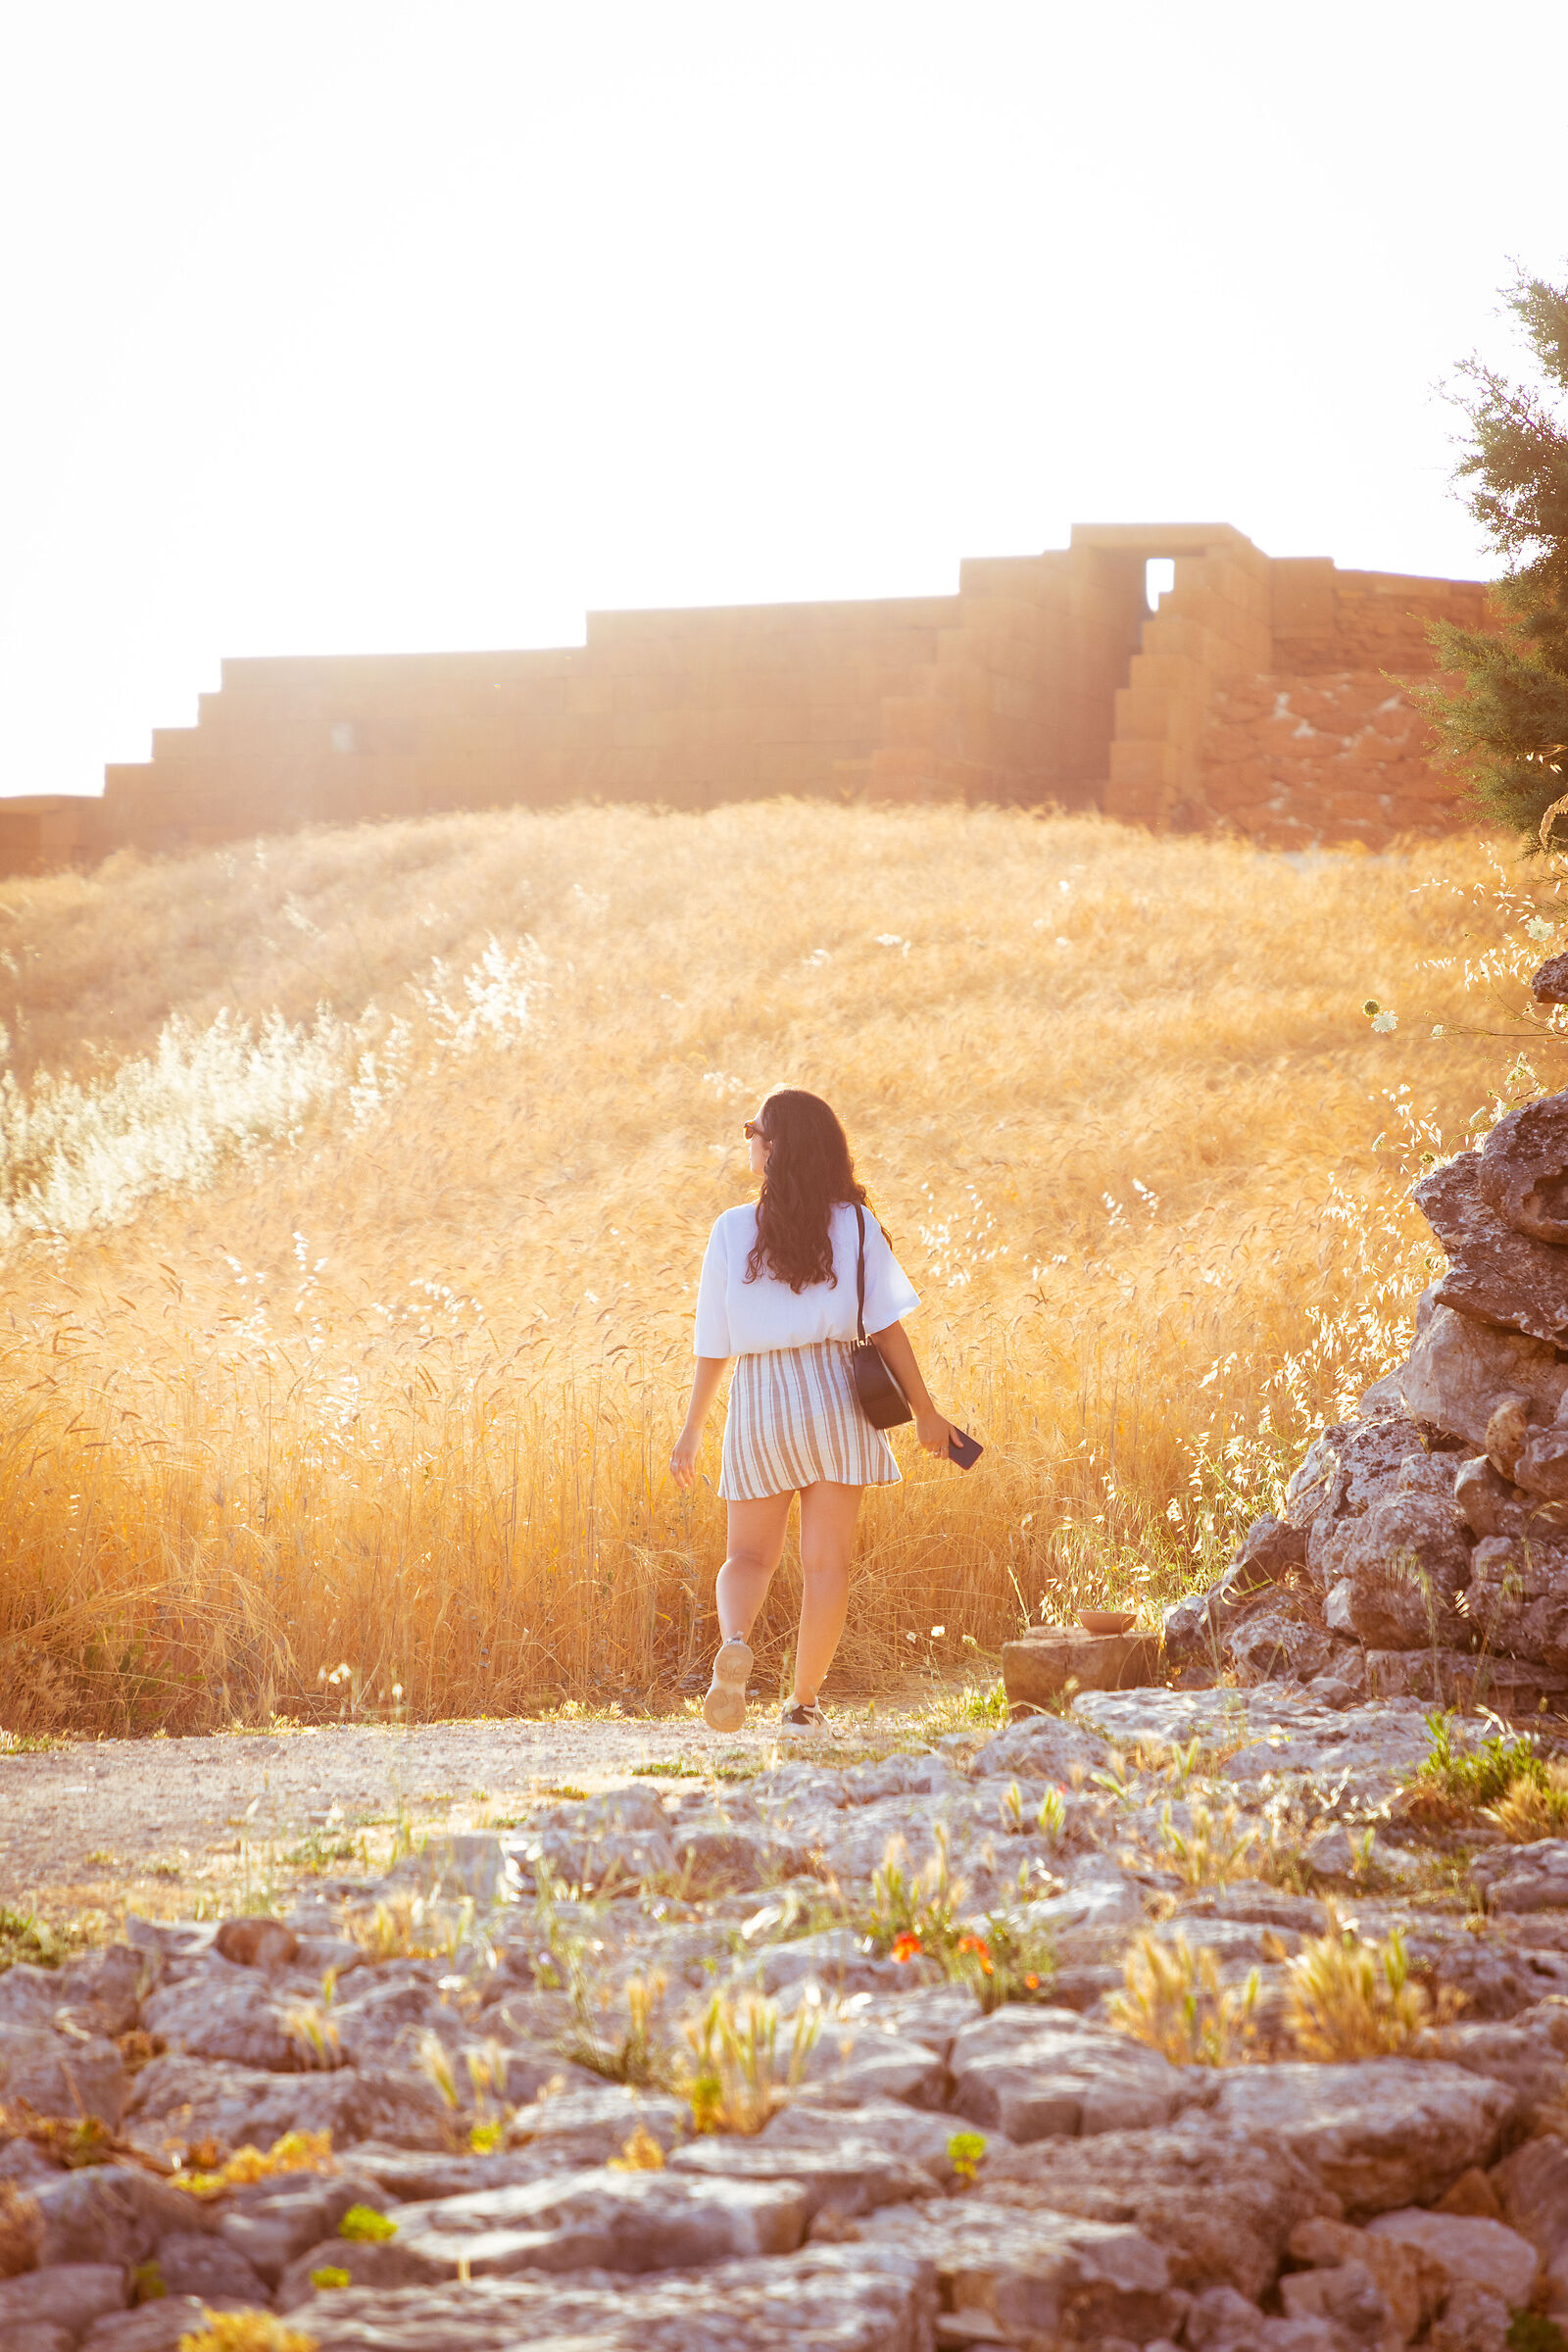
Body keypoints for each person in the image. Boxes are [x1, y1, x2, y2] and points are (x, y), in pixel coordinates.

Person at [668, 1087, 965, 1738]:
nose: (747, 1138)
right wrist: (927, 1413)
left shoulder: (728, 1230)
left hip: (760, 1402)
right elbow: (887, 1330)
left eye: (754, 1129)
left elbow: (711, 1346)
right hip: (836, 1395)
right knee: (827, 1566)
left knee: (748, 1558)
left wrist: (691, 1433)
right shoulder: (855, 1224)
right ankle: (802, 1707)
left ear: (773, 1146)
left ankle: (735, 1644)